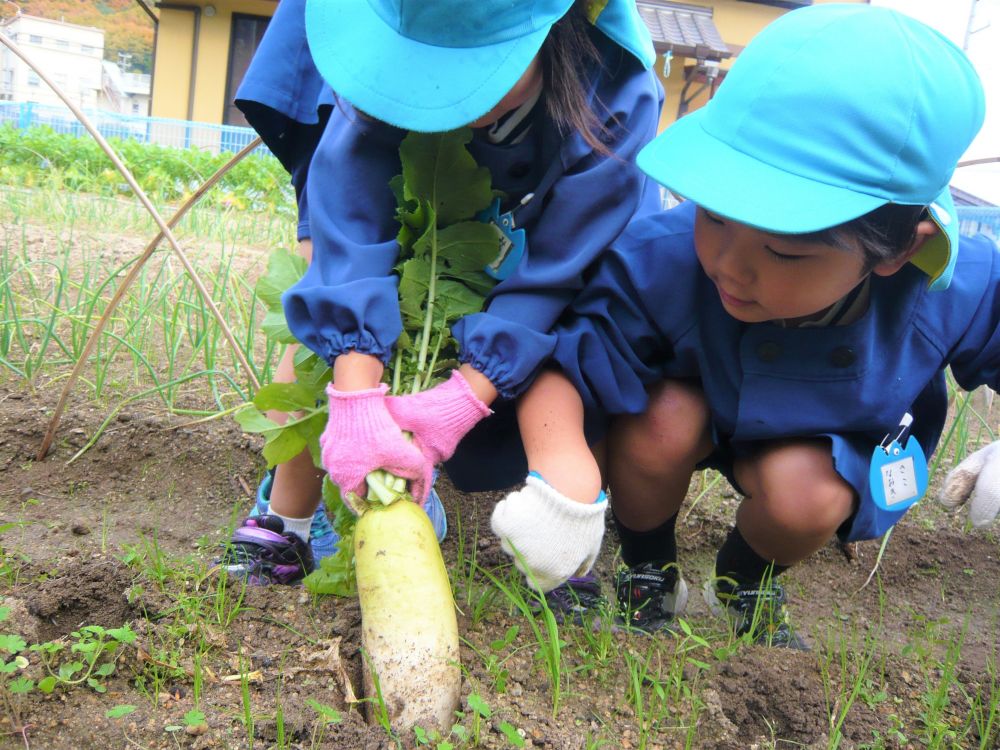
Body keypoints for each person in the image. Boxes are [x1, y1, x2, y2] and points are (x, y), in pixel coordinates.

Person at [491, 3, 995, 646]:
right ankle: (647, 569)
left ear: (899, 249)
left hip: (824, 439)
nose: (729, 265)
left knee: (808, 496)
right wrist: (560, 470)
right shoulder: (661, 260)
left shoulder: (955, 289)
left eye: (785, 252)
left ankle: (745, 579)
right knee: (660, 422)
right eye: (717, 216)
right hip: (695, 404)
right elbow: (573, 360)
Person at [221, 0, 665, 586]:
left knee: (578, 335)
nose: (443, 100)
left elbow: (560, 272)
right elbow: (350, 231)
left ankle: (570, 520)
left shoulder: (613, 95)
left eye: (471, 78)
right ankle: (287, 517)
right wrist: (356, 398)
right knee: (325, 294)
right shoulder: (378, 65)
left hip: (558, 233)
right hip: (410, 158)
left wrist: (465, 395)